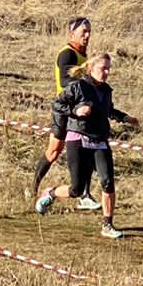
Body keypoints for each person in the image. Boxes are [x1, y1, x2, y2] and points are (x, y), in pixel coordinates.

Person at [35, 53, 137, 239]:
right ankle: (50, 193)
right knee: (77, 190)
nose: (106, 72)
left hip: (100, 140)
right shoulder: (77, 86)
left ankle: (107, 225)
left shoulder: (106, 90)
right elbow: (57, 105)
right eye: (102, 68)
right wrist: (75, 110)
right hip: (78, 138)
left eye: (108, 68)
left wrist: (125, 118)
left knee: (108, 182)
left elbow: (108, 110)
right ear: (91, 68)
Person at [30, 18, 100, 210]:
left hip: (78, 111)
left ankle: (85, 194)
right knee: (53, 152)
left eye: (89, 32)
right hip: (64, 110)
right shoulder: (67, 54)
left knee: (86, 149)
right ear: (72, 34)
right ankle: (33, 189)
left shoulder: (83, 56)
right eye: (83, 31)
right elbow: (64, 80)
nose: (87, 36)